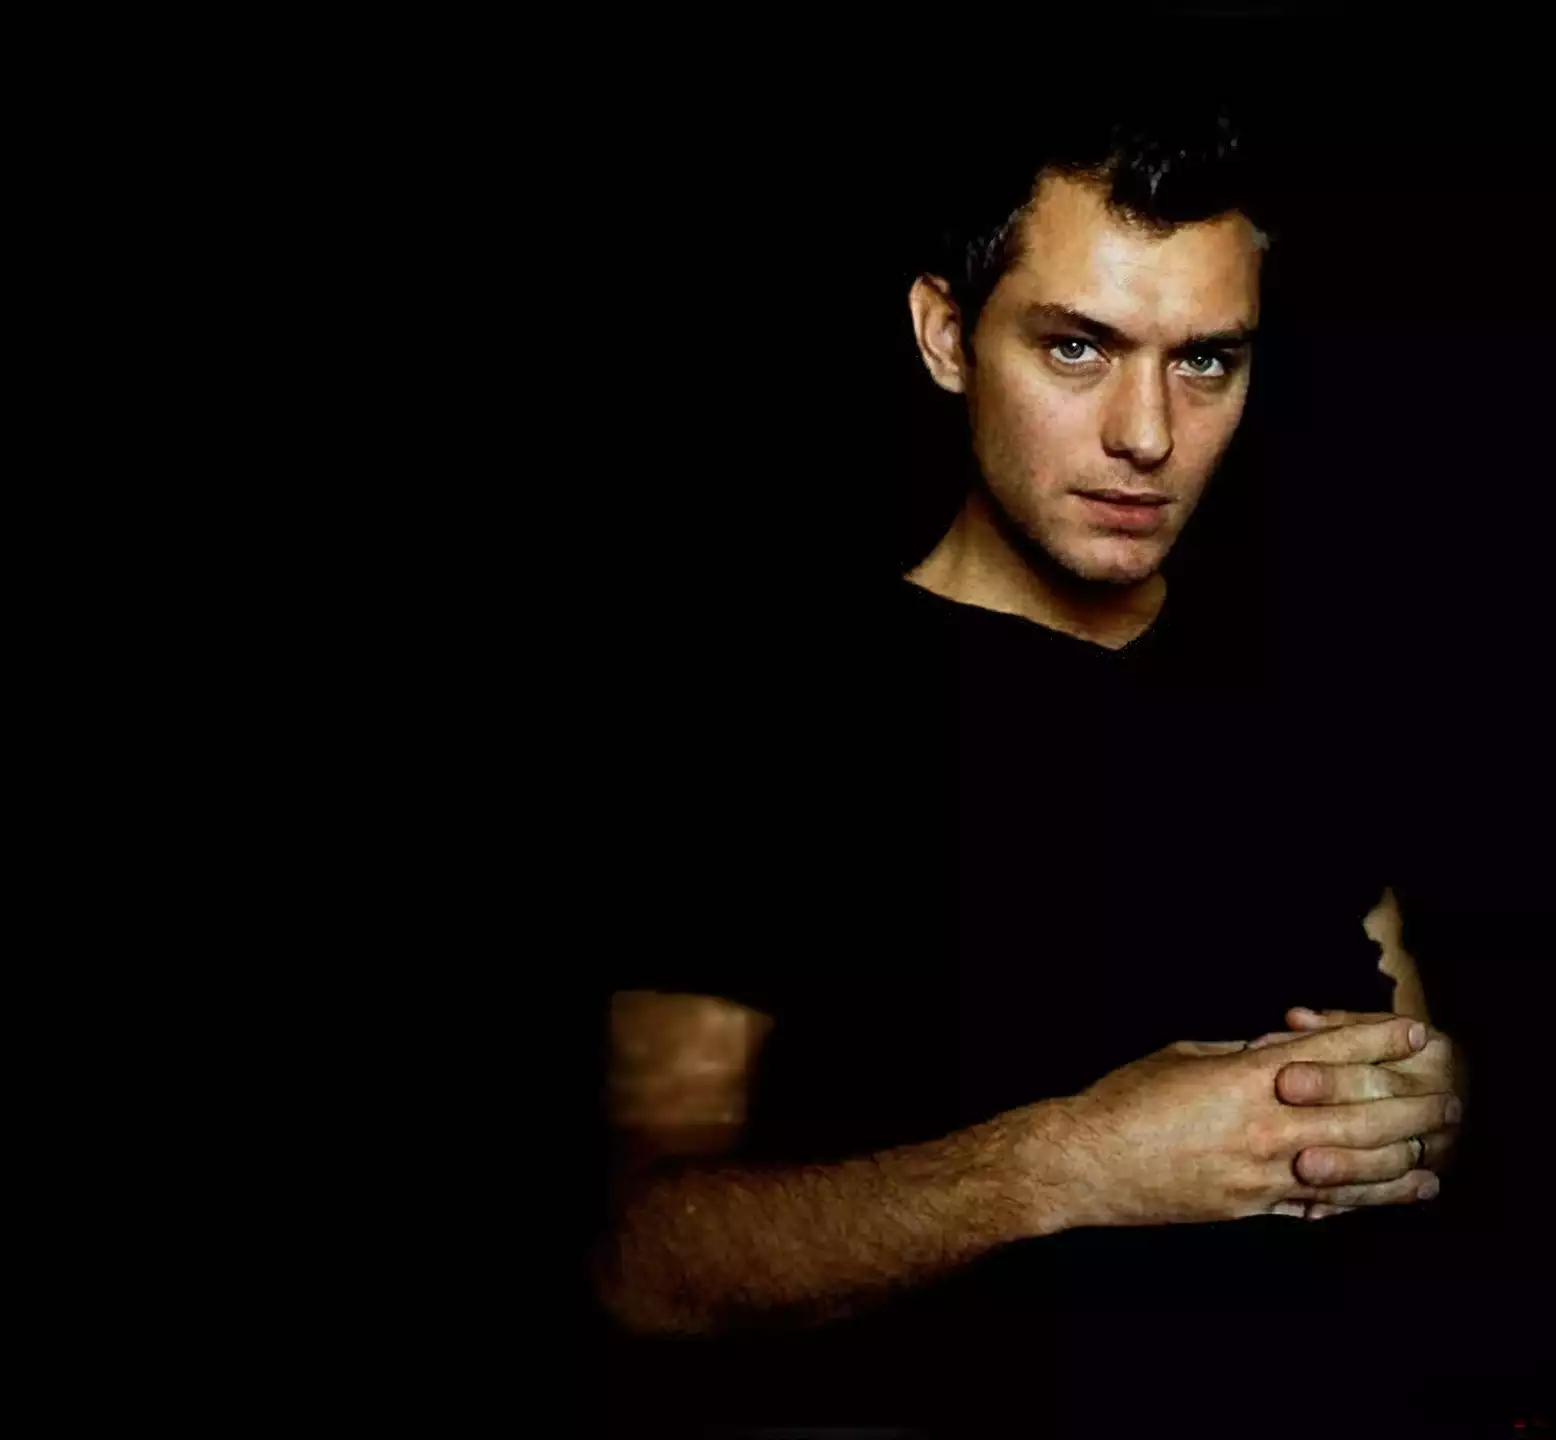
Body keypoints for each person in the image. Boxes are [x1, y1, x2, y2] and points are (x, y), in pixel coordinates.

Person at [586, 102, 1472, 1439]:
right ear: (946, 335)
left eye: (1207, 361)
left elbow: (1409, 1077)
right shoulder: (760, 724)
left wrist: (1413, 1120)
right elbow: (640, 1263)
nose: (1148, 434)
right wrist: (1073, 1164)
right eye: (1077, 347)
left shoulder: (1306, 698)